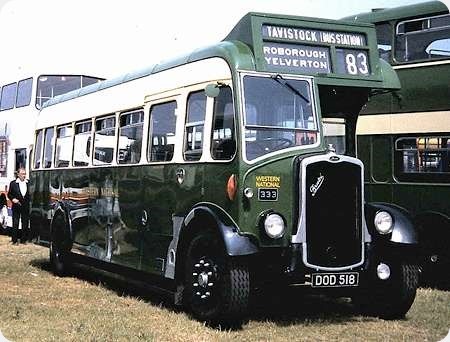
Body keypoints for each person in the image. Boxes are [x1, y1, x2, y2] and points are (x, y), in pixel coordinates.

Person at [8, 168, 30, 244]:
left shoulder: (28, 183)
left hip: (25, 205)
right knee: (15, 222)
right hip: (16, 205)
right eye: (22, 174)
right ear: (18, 174)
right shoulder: (13, 183)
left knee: (25, 223)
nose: (24, 175)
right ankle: (14, 240)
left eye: (25, 174)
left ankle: (24, 240)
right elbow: (9, 194)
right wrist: (13, 199)